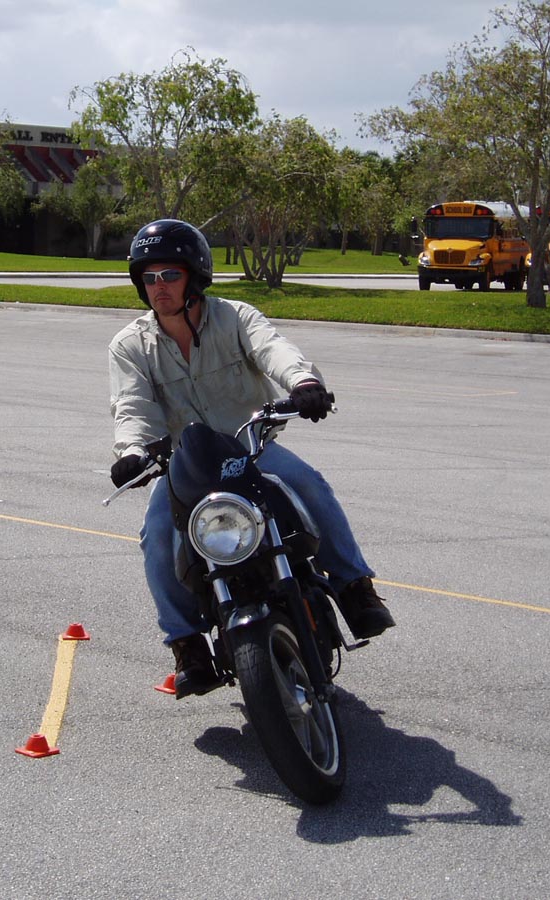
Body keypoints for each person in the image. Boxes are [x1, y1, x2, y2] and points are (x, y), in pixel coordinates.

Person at [108, 218, 394, 698]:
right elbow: (131, 407)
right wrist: (133, 451)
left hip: (250, 449)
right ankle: (186, 643)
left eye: (170, 275)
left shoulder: (235, 317)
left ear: (195, 276)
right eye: (149, 278)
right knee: (156, 535)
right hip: (184, 465)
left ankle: (354, 587)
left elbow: (273, 349)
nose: (159, 287)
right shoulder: (130, 345)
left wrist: (303, 383)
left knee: (309, 483)